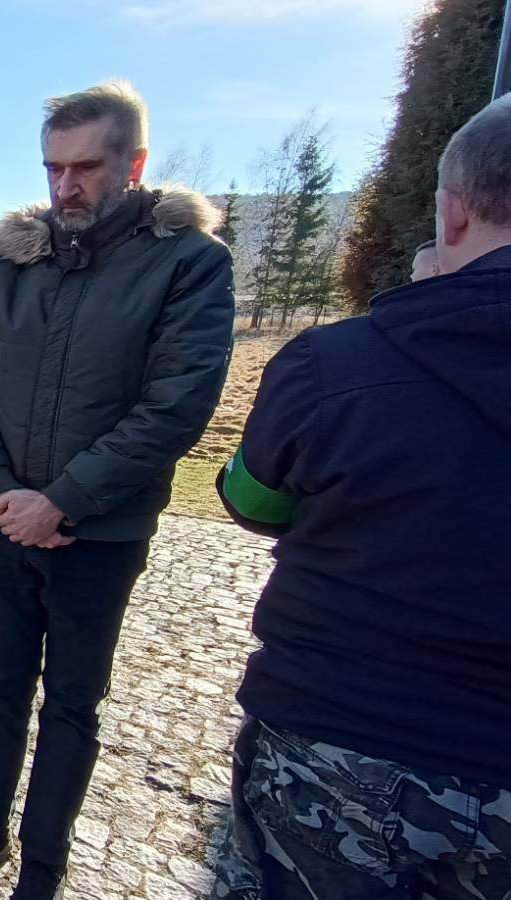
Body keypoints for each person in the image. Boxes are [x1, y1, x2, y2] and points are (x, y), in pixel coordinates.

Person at [0, 80, 234, 898]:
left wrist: (62, 499)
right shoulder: (11, 264)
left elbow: (177, 404)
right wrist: (1, 491)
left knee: (71, 705)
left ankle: (44, 865)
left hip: (100, 535)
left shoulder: (189, 264)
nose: (65, 186)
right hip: (4, 524)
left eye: (85, 167)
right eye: (52, 168)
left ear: (133, 163)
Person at [211, 95, 511, 900]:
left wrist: (421, 305)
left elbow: (252, 500)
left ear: (451, 212)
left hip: (338, 745)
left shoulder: (335, 363)